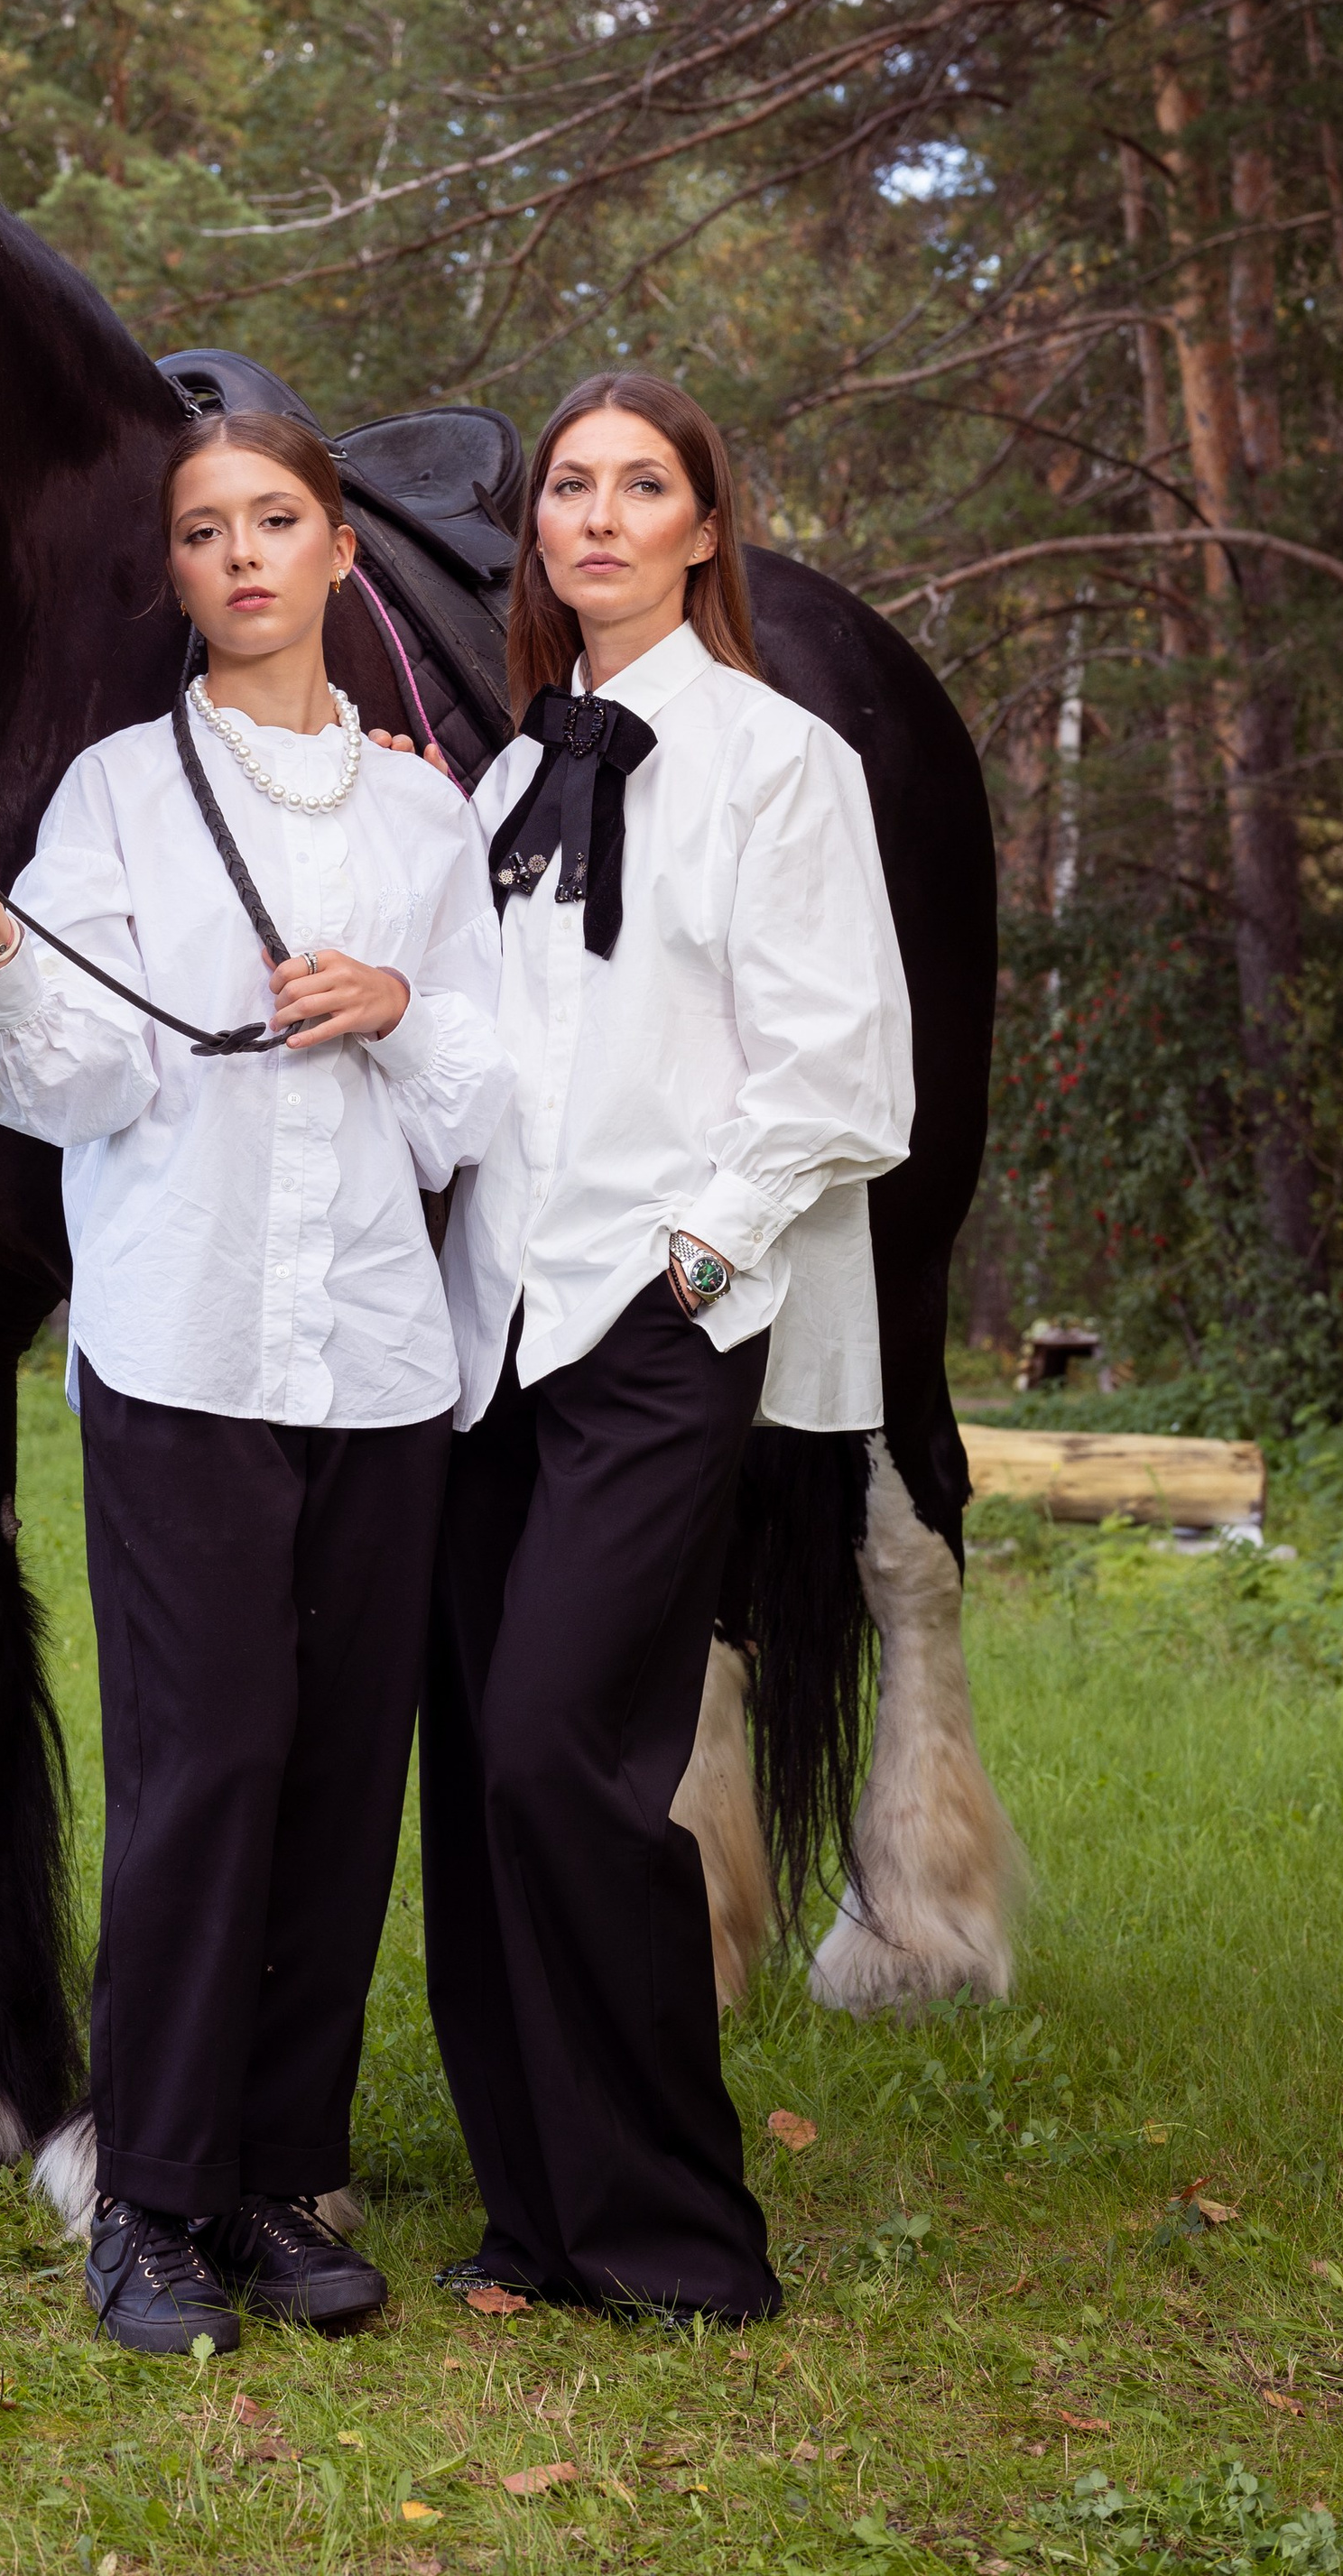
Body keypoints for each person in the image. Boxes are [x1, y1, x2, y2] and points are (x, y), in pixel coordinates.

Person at [0, 408, 509, 2358]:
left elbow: (483, 1103)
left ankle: (271, 2174)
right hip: (178, 1348)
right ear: (168, 571)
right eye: (199, 530)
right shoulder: (109, 796)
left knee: (342, 1777)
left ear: (340, 551)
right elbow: (61, 1078)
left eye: (274, 521)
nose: (239, 555)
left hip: (377, 1363)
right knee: (207, 1762)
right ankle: (146, 2198)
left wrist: (399, 1006)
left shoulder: (430, 820)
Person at [421, 371, 914, 2324]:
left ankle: (673, 2235)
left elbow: (838, 1073)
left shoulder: (777, 761)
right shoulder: (505, 778)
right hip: (486, 1343)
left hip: (653, 1325)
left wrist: (690, 1280)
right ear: (531, 527)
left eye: (643, 486)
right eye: (569, 487)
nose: (599, 516)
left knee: (562, 1751)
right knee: (474, 1771)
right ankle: (531, 2220)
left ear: (705, 525)